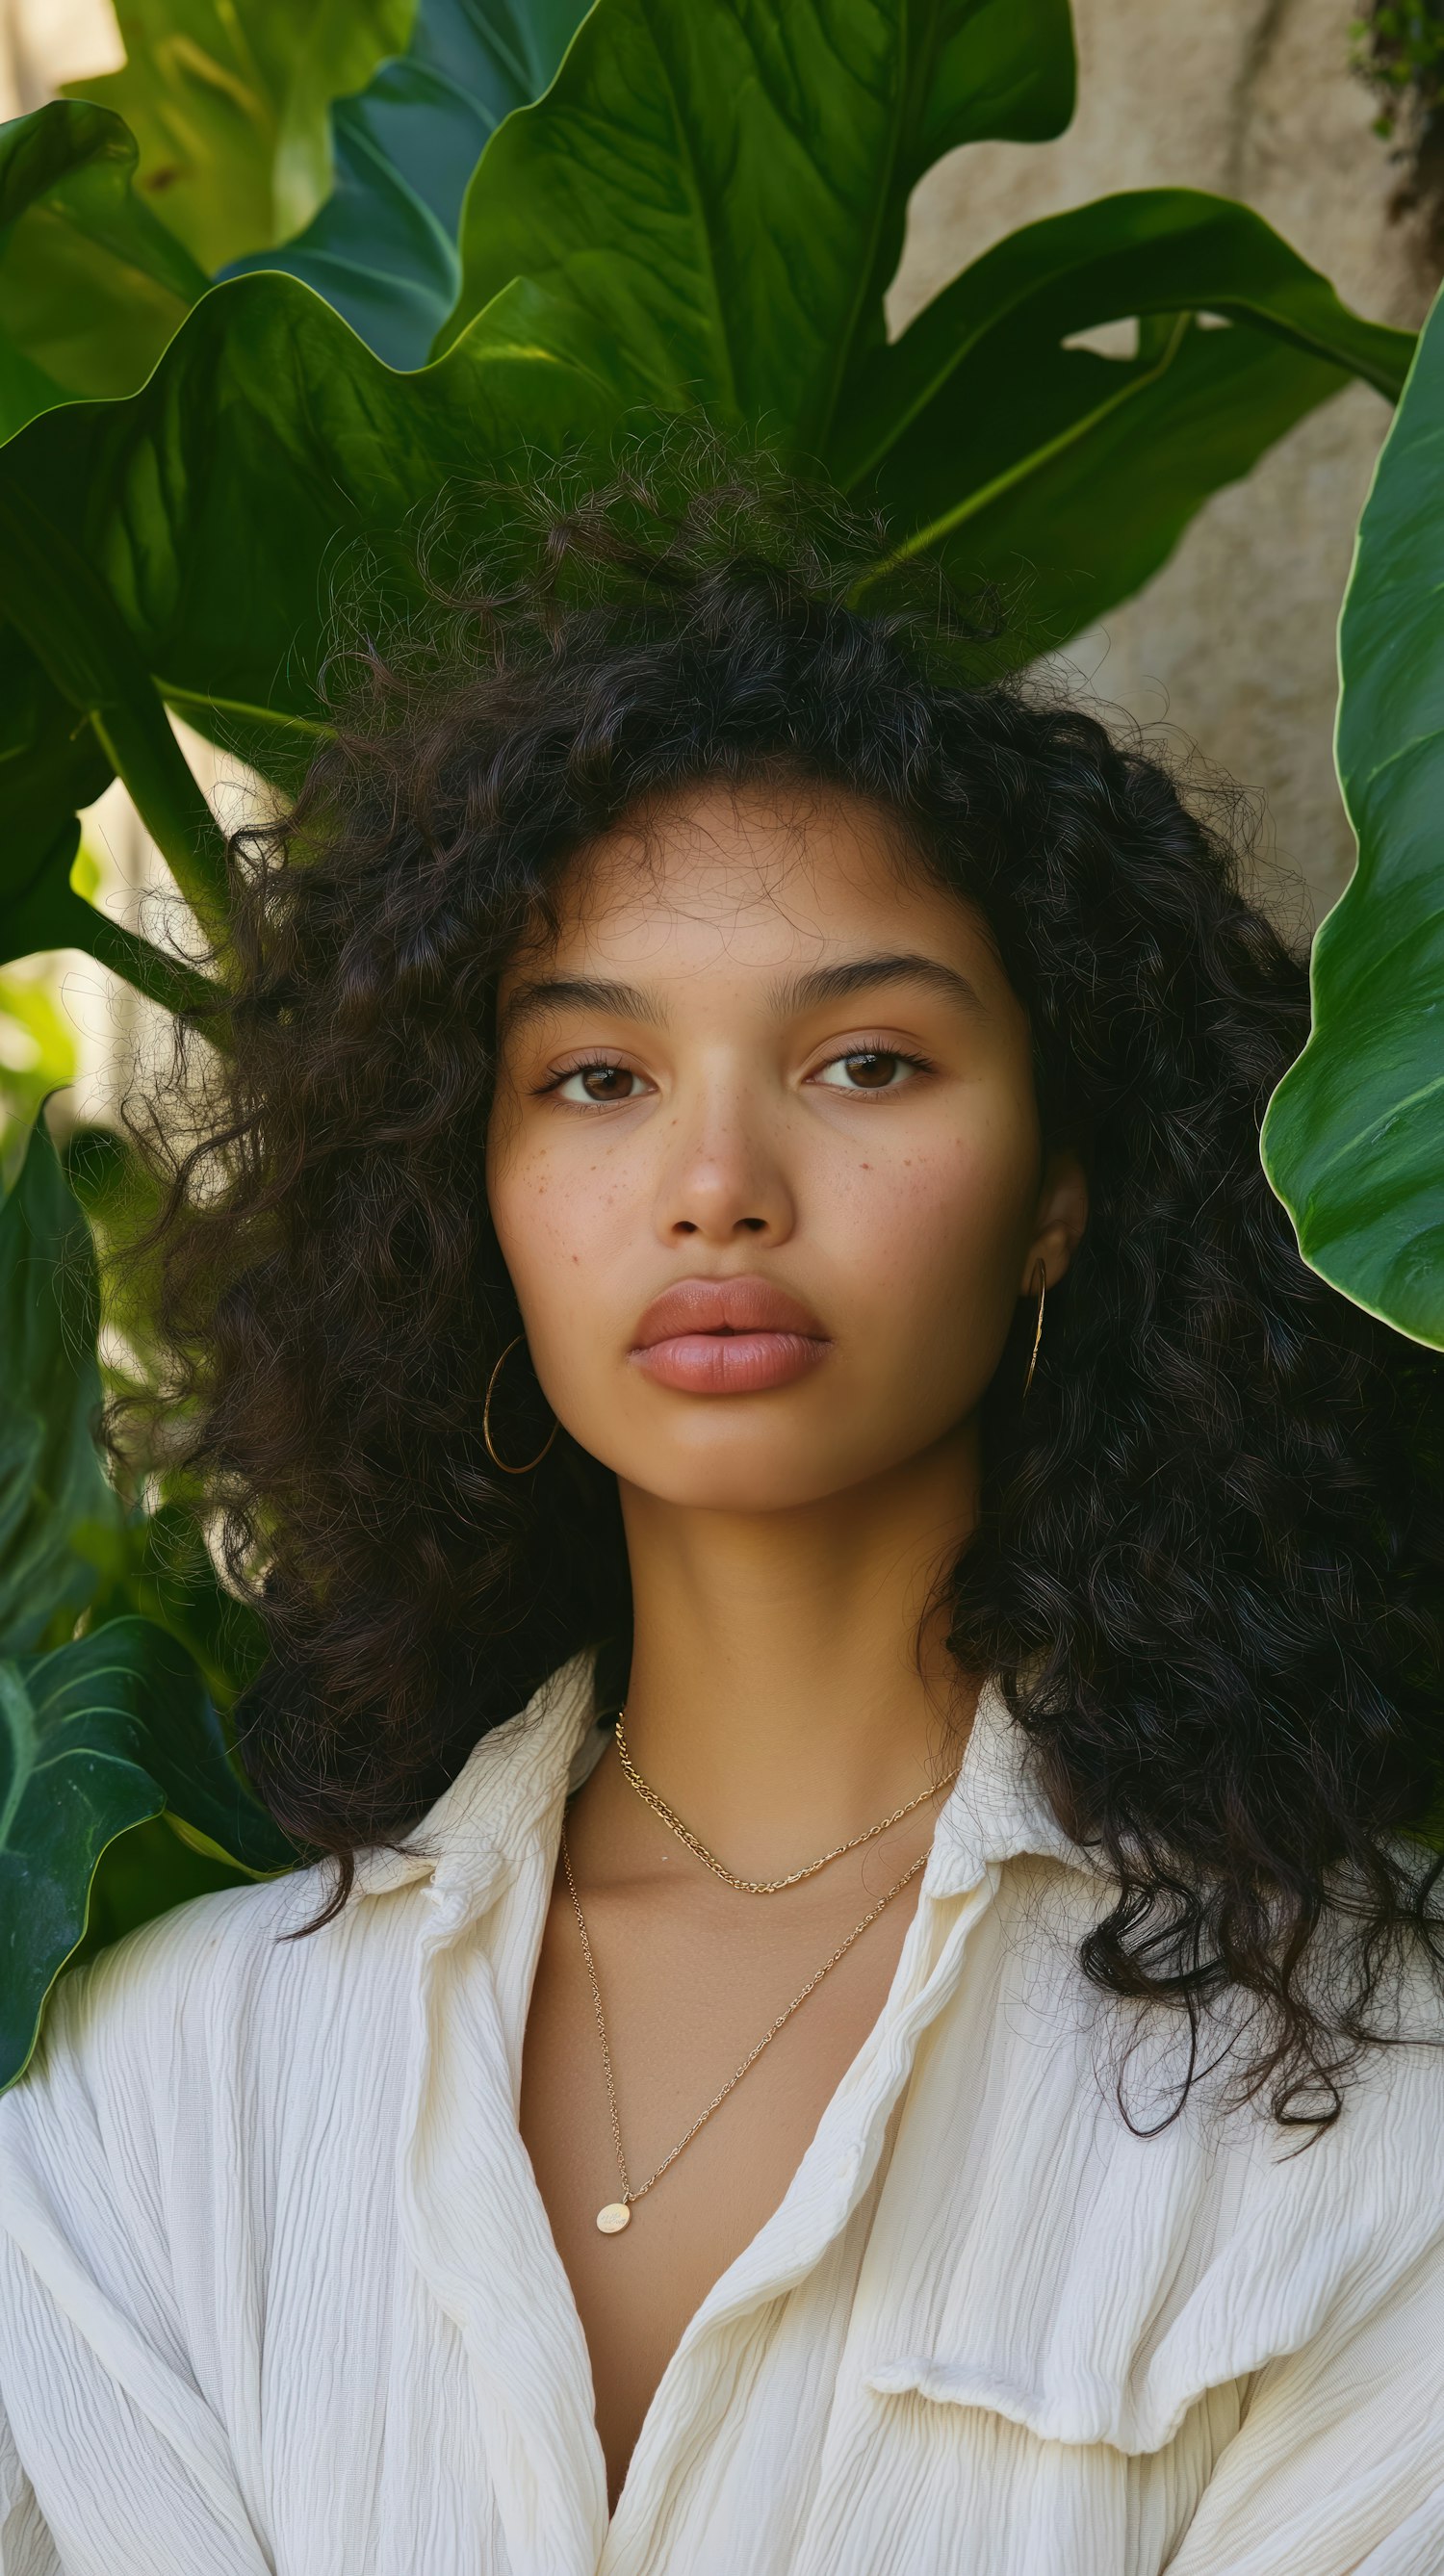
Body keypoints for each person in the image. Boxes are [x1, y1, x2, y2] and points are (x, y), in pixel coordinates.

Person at [1, 424, 1441, 2576]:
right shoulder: (174, 2083)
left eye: (866, 1063)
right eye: (596, 1076)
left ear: (1060, 1192)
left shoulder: (1370, 2081)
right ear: (465, 1192)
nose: (716, 1190)